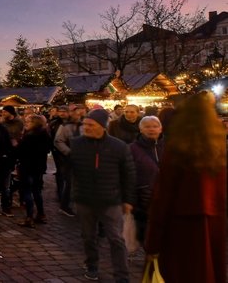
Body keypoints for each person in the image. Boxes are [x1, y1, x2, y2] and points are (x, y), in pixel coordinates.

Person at [144, 92, 227, 283]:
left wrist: (153, 242)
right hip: (212, 223)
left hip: (180, 225)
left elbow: (163, 196)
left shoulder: (177, 148)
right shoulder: (218, 148)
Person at [69, 109, 135, 283]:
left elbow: (128, 174)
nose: (86, 128)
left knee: (116, 240)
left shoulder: (118, 146)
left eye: (91, 125)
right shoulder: (76, 144)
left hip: (110, 200)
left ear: (102, 126)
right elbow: (71, 172)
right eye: (85, 125)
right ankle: (92, 266)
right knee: (88, 237)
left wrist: (128, 199)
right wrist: (73, 195)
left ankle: (122, 275)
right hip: (85, 199)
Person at [128, 115, 163, 249]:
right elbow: (128, 174)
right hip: (142, 199)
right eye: (147, 127)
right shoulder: (132, 149)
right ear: (141, 129)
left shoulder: (168, 147)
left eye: (155, 126)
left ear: (161, 129)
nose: (151, 129)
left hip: (165, 197)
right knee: (144, 235)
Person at [16, 114, 53, 228]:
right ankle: (41, 214)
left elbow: (21, 152)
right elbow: (47, 149)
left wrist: (18, 144)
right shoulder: (45, 134)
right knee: (37, 191)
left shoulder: (29, 136)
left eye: (28, 122)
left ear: (35, 123)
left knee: (27, 191)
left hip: (27, 167)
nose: (26, 123)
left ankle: (29, 217)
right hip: (39, 167)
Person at [53, 103, 84, 216]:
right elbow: (58, 141)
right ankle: (65, 205)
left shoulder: (85, 125)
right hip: (69, 159)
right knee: (70, 182)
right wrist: (68, 152)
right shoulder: (65, 126)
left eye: (77, 111)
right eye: (73, 112)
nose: (76, 114)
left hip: (84, 158)